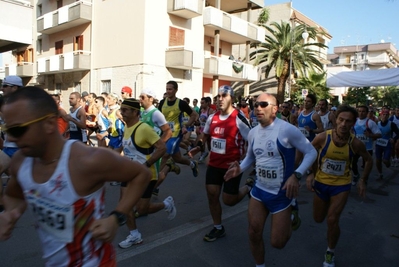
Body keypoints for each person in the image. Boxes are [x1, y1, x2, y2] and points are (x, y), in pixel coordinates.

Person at [0, 86, 151, 266]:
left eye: (18, 130)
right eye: (7, 130)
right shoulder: (21, 161)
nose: (11, 139)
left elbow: (141, 174)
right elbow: (13, 195)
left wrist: (116, 217)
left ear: (49, 124)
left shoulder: (86, 160)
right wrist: (10, 212)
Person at [224, 93, 317, 267]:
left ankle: (292, 210)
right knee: (253, 232)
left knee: (278, 243)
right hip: (259, 190)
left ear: (275, 109)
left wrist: (297, 175)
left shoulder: (287, 130)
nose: (258, 108)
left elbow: (311, 152)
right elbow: (251, 157)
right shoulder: (253, 132)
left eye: (263, 104)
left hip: (281, 194)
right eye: (256, 104)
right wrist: (241, 168)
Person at [306, 105, 373, 267]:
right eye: (341, 120)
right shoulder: (323, 137)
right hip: (321, 183)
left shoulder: (355, 143)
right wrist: (311, 173)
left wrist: (363, 180)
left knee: (332, 219)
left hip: (341, 186)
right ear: (335, 120)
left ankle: (330, 251)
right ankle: (331, 232)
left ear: (353, 123)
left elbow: (369, 160)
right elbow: (309, 152)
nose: (343, 124)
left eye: (348, 121)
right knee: (318, 218)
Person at [117, 98, 176, 249]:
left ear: (135, 112)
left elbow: (162, 148)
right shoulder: (126, 127)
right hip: (130, 174)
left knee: (142, 209)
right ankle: (134, 235)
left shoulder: (143, 128)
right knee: (125, 204)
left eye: (125, 110)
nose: (121, 112)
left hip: (146, 175)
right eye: (121, 109)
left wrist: (146, 165)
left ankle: (166, 204)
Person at [201, 85, 253, 242]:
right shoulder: (212, 117)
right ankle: (218, 227)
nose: (220, 99)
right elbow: (204, 135)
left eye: (224, 96)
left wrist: (246, 160)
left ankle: (249, 187)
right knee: (212, 194)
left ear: (232, 99)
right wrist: (198, 146)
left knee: (229, 201)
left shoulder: (239, 118)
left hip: (232, 166)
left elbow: (253, 140)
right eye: (218, 96)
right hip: (215, 164)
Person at [155, 81, 199, 193]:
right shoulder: (162, 102)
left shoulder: (181, 103)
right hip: (164, 134)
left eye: (170, 89)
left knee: (164, 155)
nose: (168, 91)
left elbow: (194, 115)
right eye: (167, 89)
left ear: (175, 90)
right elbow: (158, 117)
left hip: (175, 135)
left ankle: (155, 184)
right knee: (177, 158)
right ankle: (192, 164)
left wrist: (186, 125)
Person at [351, 105, 381, 185]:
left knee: (366, 165)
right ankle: (356, 175)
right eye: (359, 111)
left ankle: (364, 179)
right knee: (352, 162)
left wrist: (370, 135)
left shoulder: (370, 123)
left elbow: (379, 134)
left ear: (367, 113)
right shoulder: (354, 121)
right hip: (356, 147)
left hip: (367, 148)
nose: (361, 113)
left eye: (363, 111)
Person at [375, 109, 399, 180]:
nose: (385, 116)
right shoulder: (377, 123)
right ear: (380, 115)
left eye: (386, 115)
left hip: (387, 145)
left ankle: (388, 163)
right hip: (378, 144)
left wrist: (394, 139)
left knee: (385, 161)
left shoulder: (391, 124)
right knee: (378, 160)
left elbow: (398, 133)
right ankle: (380, 174)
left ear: (388, 116)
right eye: (383, 114)